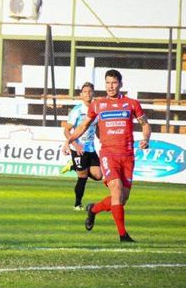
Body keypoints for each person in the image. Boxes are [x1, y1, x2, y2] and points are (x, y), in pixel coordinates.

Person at [62, 69, 151, 243]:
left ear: (120, 84)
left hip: (127, 156)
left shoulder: (132, 104)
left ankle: (93, 209)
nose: (111, 86)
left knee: (121, 199)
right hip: (108, 154)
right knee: (116, 190)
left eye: (114, 82)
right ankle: (123, 235)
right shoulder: (98, 105)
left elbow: (145, 124)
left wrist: (146, 138)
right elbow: (83, 126)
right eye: (108, 82)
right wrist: (69, 141)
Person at [62, 82, 102, 211]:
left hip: (90, 148)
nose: (88, 94)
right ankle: (77, 204)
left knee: (98, 176)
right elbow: (66, 130)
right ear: (81, 95)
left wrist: (103, 140)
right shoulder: (77, 111)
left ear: (93, 93)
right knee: (83, 176)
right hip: (78, 148)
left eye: (90, 91)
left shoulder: (96, 110)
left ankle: (74, 165)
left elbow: (96, 129)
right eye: (85, 92)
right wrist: (75, 144)